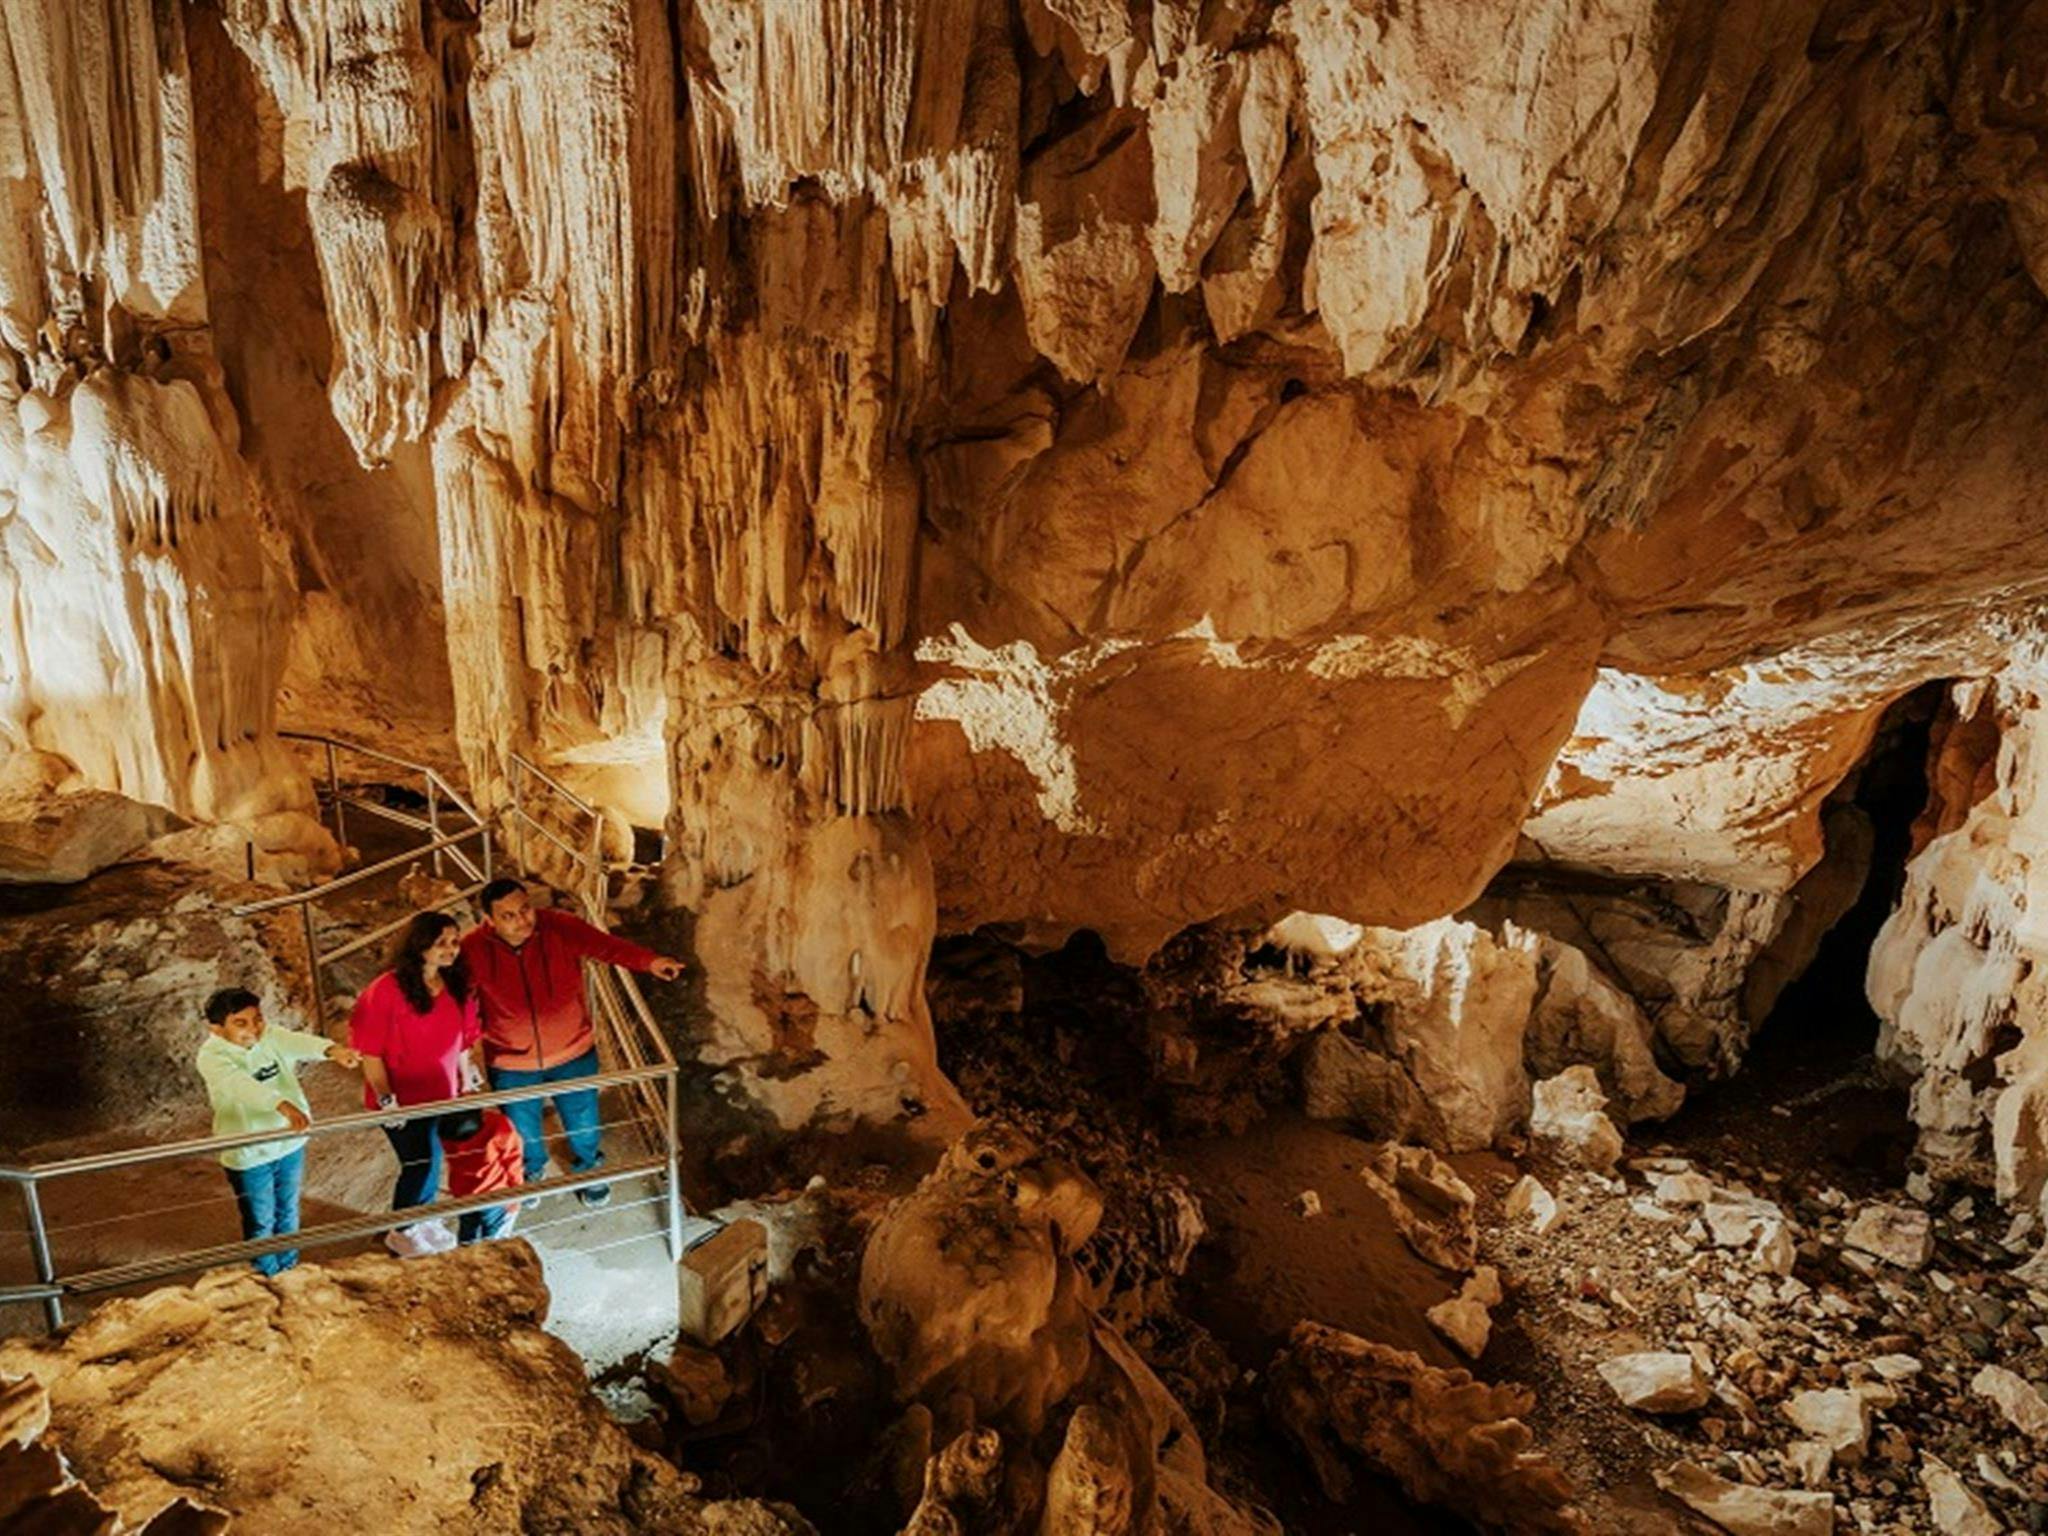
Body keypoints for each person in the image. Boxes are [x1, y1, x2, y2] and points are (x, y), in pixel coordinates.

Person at [461, 878, 684, 1207]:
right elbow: (461, 1001)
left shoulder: (558, 927)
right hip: (511, 1061)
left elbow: (605, 946)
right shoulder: (472, 950)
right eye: (509, 916)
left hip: (573, 1051)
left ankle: (589, 1169)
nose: (523, 920)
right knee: (523, 1127)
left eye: (525, 910)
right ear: (490, 921)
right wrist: (463, 1047)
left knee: (583, 1120)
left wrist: (649, 962)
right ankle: (531, 1171)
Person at [194, 987, 360, 1276]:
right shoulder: (211, 1057)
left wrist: (332, 1050)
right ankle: (267, 1273)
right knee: (261, 1219)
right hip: (249, 1153)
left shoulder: (268, 1035)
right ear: (217, 1029)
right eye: (241, 1023)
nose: (254, 1029)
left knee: (288, 1209)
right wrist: (281, 1105)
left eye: (257, 1019)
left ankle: (289, 1266)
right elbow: (240, 1086)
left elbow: (295, 1041)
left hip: (288, 1143)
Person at [349, 912, 484, 1253]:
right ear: (419, 945)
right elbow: (371, 1051)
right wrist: (385, 1098)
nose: (451, 950)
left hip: (442, 1092)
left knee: (433, 1158)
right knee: (420, 1162)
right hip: (402, 1098)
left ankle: (421, 1217)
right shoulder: (385, 991)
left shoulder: (456, 984)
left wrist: (466, 1074)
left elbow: (464, 1038)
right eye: (441, 943)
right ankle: (402, 1229)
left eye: (454, 942)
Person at [437, 1107, 525, 1244]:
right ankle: (490, 1259)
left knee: (468, 1228)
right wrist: (517, 1193)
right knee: (494, 1234)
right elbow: (513, 1162)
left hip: (462, 1190)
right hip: (496, 1193)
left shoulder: (446, 1130)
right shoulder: (499, 1126)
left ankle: (467, 1257)